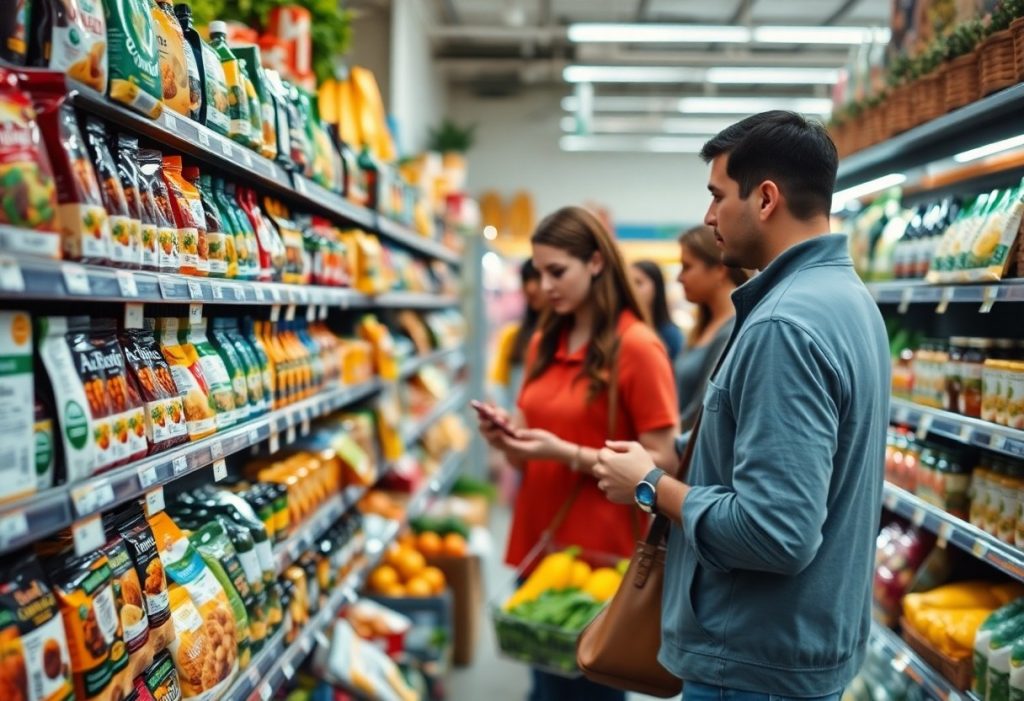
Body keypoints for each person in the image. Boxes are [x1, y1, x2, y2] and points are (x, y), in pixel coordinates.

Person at [593, 111, 890, 700]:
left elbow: (776, 531)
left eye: (717, 195)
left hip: (752, 663)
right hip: (795, 649)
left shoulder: (784, 324)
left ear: (766, 199)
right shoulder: (849, 301)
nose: (708, 217)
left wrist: (652, 485)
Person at [476, 206, 678, 701]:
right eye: (538, 272)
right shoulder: (546, 340)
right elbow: (534, 437)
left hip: (601, 555)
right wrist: (510, 441)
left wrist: (566, 453)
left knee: (588, 690)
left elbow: (663, 461)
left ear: (595, 263)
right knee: (544, 681)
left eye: (556, 271)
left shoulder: (638, 347)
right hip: (540, 539)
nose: (544, 286)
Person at [674, 226, 749, 431]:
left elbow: (702, 409)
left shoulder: (732, 329)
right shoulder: (705, 326)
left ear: (719, 270)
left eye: (687, 267)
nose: (679, 278)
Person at [489, 259, 544, 409]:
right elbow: (498, 387)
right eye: (526, 280)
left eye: (538, 278)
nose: (531, 287)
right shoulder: (512, 336)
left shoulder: (569, 338)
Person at [630, 260, 683, 362]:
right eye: (629, 283)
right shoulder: (623, 327)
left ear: (656, 287)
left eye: (638, 283)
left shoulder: (670, 334)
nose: (633, 289)